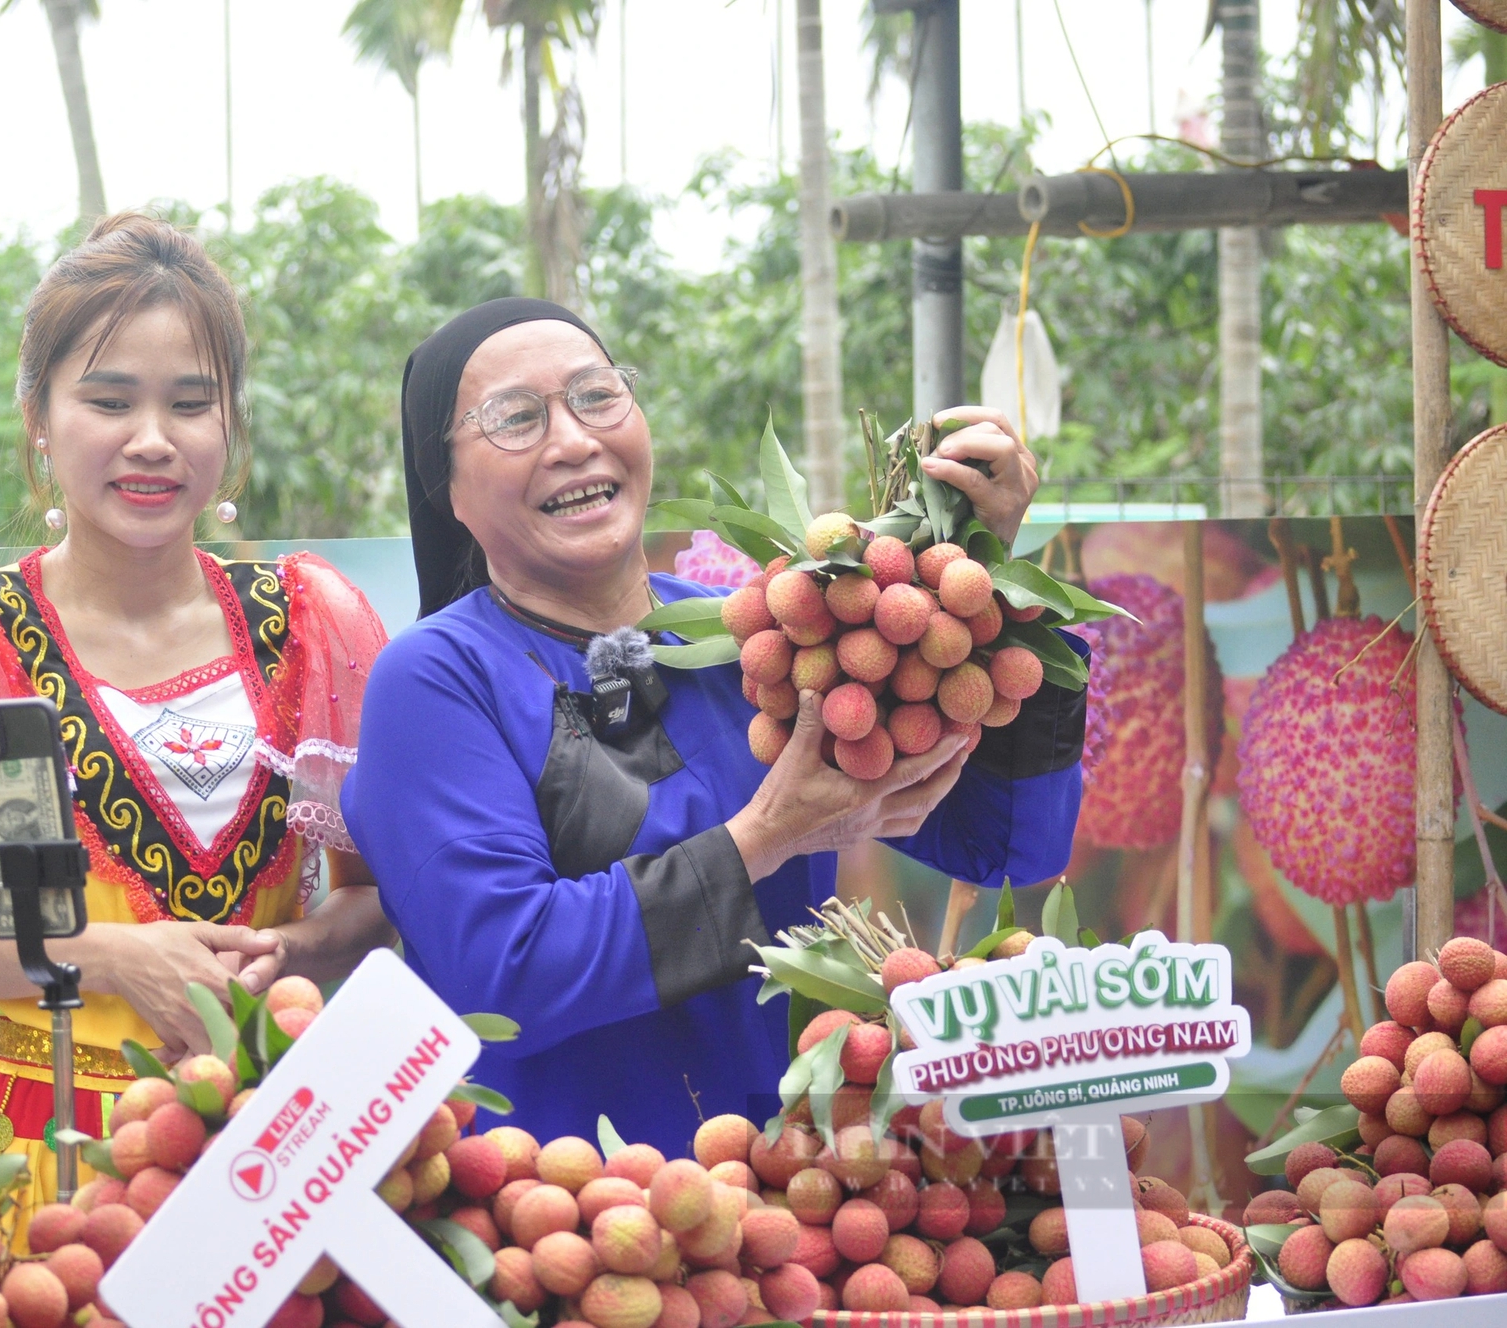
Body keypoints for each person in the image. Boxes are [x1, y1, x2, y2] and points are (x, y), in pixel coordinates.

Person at [341, 298, 1085, 1157]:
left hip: (773, 1200)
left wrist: (989, 580)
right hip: (557, 1215)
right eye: (515, 419)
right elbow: (503, 975)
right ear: (451, 492)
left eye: (596, 395)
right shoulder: (435, 679)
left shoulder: (759, 636)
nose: (573, 439)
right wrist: (765, 838)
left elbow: (1006, 848)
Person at [0, 215, 395, 1238]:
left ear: (230, 425)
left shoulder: (314, 621)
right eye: (108, 398)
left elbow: (375, 902)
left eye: (189, 403)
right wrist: (108, 957)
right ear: (37, 413)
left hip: (263, 1143)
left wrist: (285, 948)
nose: (152, 439)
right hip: (47, 1161)